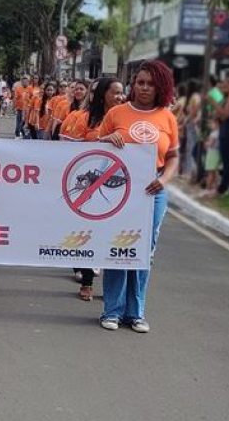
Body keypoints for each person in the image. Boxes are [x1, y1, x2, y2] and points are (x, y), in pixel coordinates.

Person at [99, 60, 179, 333]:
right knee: (118, 246)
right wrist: (107, 140)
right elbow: (93, 151)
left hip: (153, 191)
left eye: (151, 84)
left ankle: (136, 313)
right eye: (140, 82)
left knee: (144, 251)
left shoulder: (167, 117)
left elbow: (173, 157)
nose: (144, 88)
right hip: (119, 189)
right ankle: (112, 310)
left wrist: (163, 180)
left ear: (161, 87)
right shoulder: (116, 113)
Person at [60, 77, 125, 301]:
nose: (120, 97)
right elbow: (70, 151)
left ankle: (111, 288)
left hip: (117, 186)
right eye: (115, 92)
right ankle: (87, 280)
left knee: (112, 235)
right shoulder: (84, 118)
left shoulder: (127, 119)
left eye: (122, 92)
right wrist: (103, 141)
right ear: (103, 95)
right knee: (87, 232)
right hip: (89, 185)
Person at [181, 80, 202, 178]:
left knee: (190, 147)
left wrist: (186, 120)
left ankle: (188, 172)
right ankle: (188, 171)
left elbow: (194, 111)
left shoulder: (194, 97)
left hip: (192, 123)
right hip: (191, 123)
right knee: (189, 146)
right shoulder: (196, 96)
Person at [203, 119, 222, 195]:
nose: (211, 125)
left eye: (212, 123)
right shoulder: (220, 132)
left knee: (210, 172)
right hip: (217, 152)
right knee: (215, 172)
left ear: (217, 124)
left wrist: (206, 143)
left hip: (212, 153)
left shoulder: (214, 134)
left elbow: (210, 144)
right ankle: (215, 187)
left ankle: (208, 188)